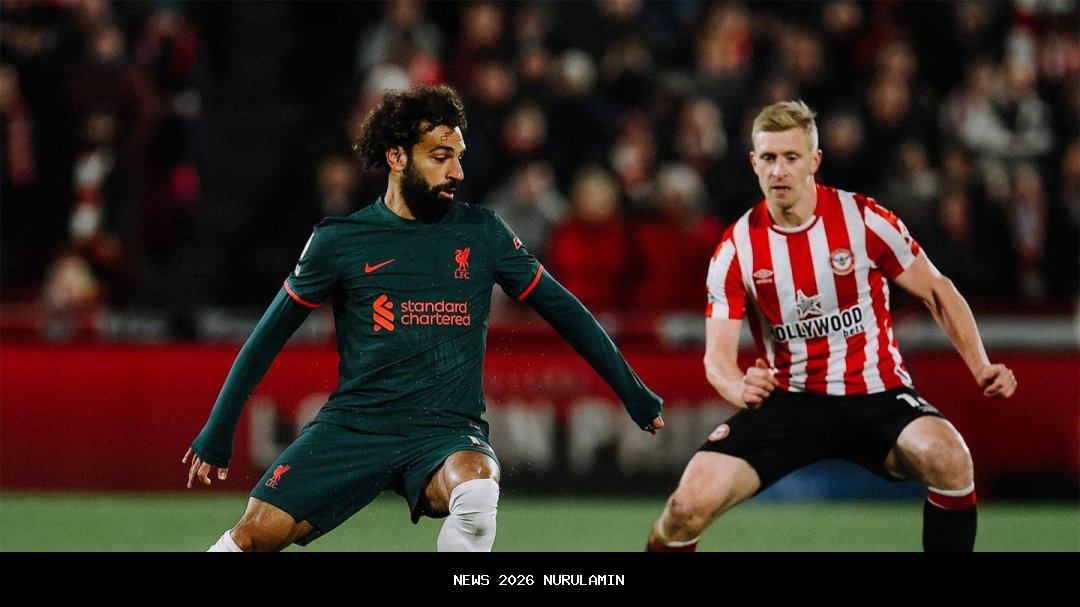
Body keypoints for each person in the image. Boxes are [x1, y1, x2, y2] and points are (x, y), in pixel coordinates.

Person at [184, 84, 664, 552]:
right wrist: (219, 429)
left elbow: (566, 312)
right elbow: (266, 338)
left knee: (477, 491)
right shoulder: (339, 241)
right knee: (253, 538)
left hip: (447, 431)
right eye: (440, 157)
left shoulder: (484, 233)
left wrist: (632, 390)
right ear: (397, 157)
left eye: (459, 156)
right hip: (355, 426)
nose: (456, 171)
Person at [646, 101, 1016, 552]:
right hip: (790, 401)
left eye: (791, 157)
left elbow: (937, 290)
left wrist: (980, 364)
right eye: (768, 158)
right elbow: (717, 358)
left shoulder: (864, 220)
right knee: (685, 509)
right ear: (753, 163)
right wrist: (738, 387)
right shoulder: (736, 248)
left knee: (950, 457)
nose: (779, 170)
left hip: (876, 395)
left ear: (814, 161)